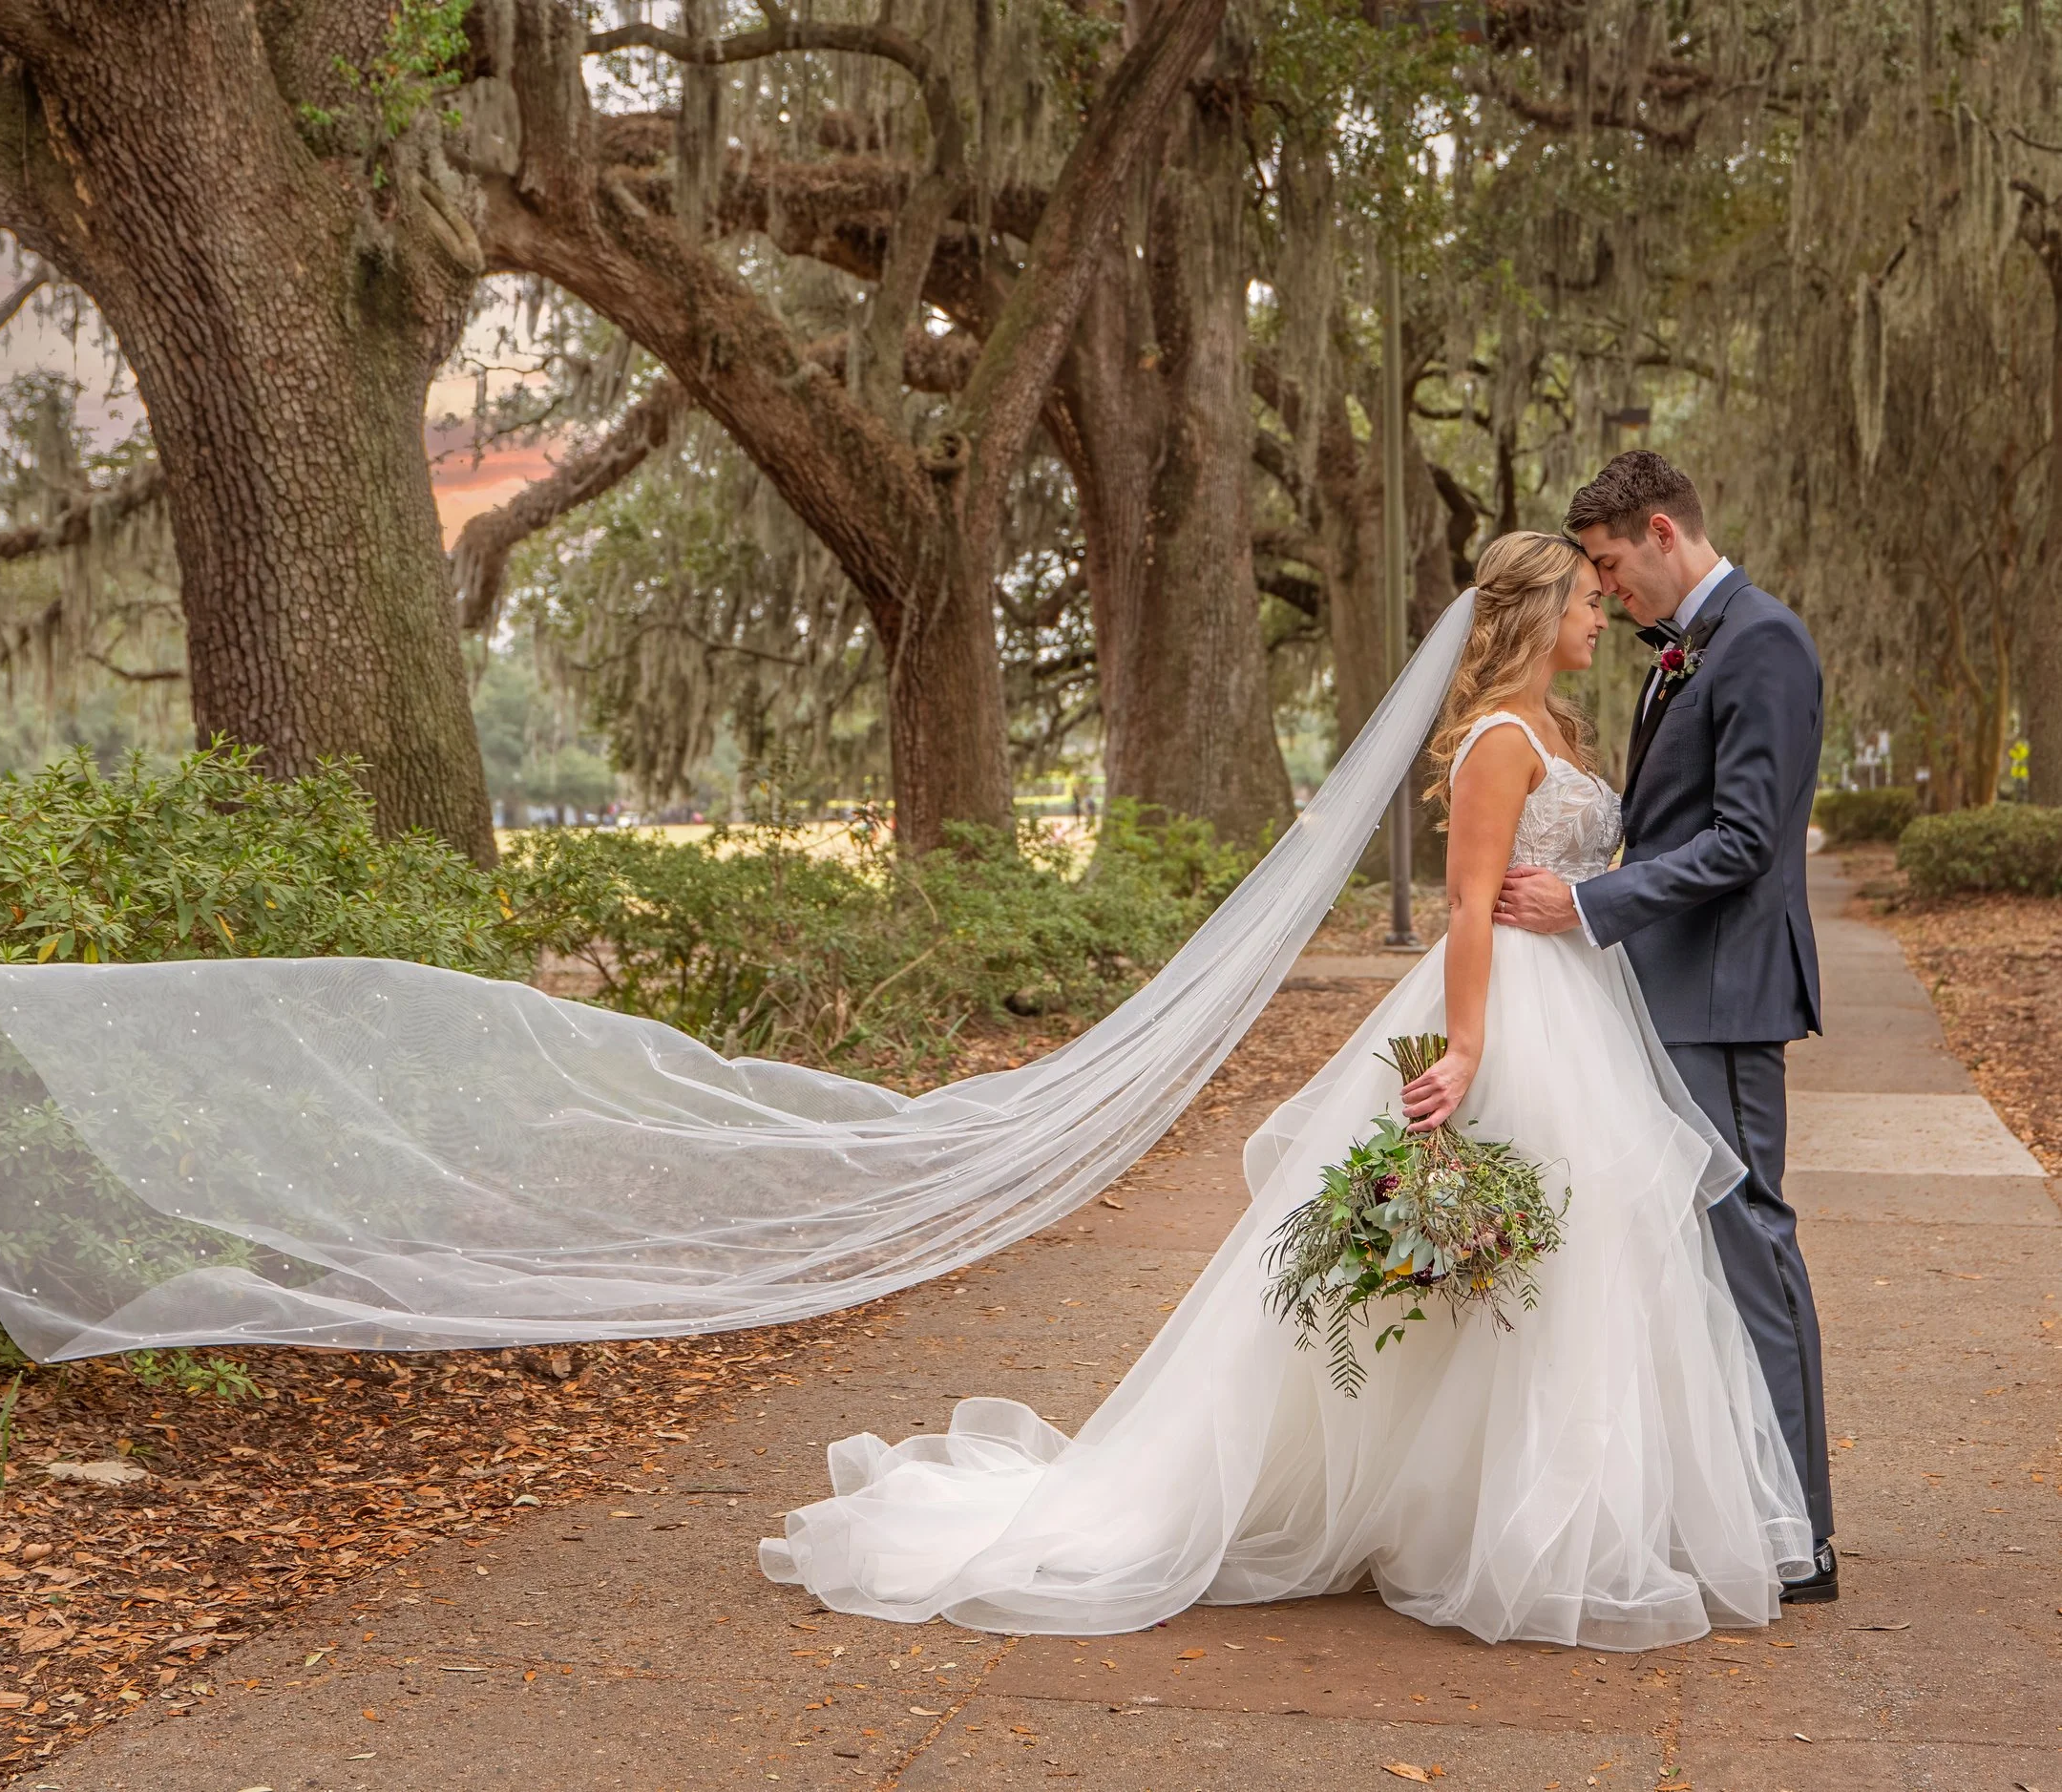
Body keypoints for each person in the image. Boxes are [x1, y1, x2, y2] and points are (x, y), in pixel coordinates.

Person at [759, 530, 1814, 1650]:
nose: (1603, 614)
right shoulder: (1499, 743)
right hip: (1508, 1009)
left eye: (1604, 597)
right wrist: (1463, 1050)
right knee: (1524, 1262)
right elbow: (1467, 906)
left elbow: (1583, 871)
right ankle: (1505, 1527)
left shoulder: (1558, 726)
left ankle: (1549, 1514)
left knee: (1574, 1265)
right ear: (1533, 611)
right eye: (1585, 600)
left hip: (1584, 1004)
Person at [1494, 450, 1836, 1602]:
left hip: (1724, 993)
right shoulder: (1688, 649)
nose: (1604, 592)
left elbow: (1743, 841)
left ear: (1658, 529)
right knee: (1681, 1255)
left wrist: (1589, 903)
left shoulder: (1761, 642)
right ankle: (1732, 1503)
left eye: (1605, 566)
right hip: (1660, 989)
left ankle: (1804, 1535)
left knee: (1748, 1248)